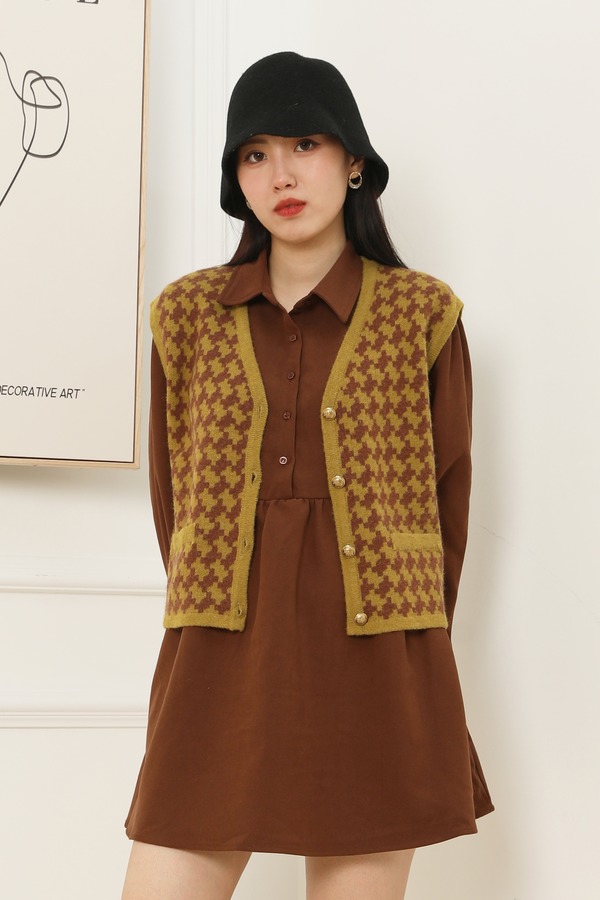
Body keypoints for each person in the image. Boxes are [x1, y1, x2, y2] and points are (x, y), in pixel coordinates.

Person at [121, 51, 494, 900]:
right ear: (237, 180)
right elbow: (174, 506)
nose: (280, 174)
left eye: (304, 144)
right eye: (254, 155)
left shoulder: (422, 314)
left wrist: (412, 643)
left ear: (353, 161)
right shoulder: (186, 317)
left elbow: (448, 506)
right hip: (218, 656)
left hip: (379, 659)